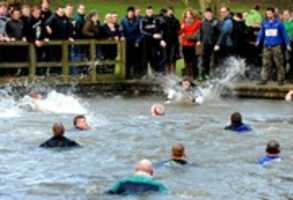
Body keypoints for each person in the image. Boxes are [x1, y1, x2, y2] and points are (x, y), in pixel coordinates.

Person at [256, 7, 291, 85]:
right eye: (267, 13)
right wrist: (258, 40)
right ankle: (264, 79)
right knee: (265, 63)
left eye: (269, 13)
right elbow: (261, 33)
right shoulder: (264, 23)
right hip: (267, 46)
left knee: (279, 63)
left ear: (273, 13)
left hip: (276, 46)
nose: (268, 15)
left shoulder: (279, 23)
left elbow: (284, 34)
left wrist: (287, 43)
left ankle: (281, 80)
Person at [140, 6, 167, 75]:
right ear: (146, 12)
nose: (150, 13)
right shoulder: (143, 20)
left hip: (155, 43)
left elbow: (160, 30)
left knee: (155, 57)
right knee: (145, 58)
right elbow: (142, 31)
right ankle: (144, 74)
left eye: (151, 12)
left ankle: (155, 73)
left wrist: (161, 39)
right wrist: (152, 35)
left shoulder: (156, 19)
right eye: (148, 12)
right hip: (146, 42)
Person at [197, 8, 219, 80]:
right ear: (204, 15)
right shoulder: (203, 22)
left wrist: (217, 44)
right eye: (206, 14)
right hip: (205, 43)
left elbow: (219, 34)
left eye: (209, 14)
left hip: (214, 43)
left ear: (212, 14)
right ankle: (206, 74)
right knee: (205, 59)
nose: (208, 15)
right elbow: (200, 32)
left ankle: (215, 75)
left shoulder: (216, 22)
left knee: (215, 60)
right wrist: (199, 40)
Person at [179, 8, 201, 79]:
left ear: (192, 15)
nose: (188, 16)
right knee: (181, 61)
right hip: (184, 45)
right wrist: (181, 30)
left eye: (189, 14)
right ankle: (181, 76)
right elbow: (179, 32)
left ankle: (195, 77)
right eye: (186, 15)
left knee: (194, 62)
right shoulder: (182, 22)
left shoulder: (197, 22)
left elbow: (197, 34)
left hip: (193, 45)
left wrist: (186, 35)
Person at [121, 6, 142, 79]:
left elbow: (140, 33)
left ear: (133, 13)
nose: (131, 13)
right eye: (129, 12)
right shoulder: (123, 20)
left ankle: (134, 75)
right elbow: (121, 30)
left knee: (135, 59)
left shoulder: (138, 21)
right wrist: (122, 36)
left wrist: (137, 41)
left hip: (135, 43)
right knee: (127, 59)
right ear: (127, 12)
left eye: (132, 12)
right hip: (126, 43)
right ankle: (126, 75)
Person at [164, 7, 180, 75]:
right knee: (166, 57)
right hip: (165, 41)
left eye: (171, 11)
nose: (170, 12)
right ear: (167, 12)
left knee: (173, 57)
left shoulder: (176, 20)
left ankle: (173, 73)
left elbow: (178, 30)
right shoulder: (164, 20)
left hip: (174, 41)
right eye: (169, 11)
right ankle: (167, 73)